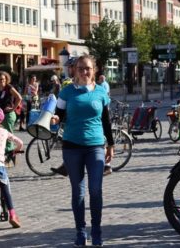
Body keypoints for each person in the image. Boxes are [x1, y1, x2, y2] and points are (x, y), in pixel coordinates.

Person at [51, 55, 114, 247]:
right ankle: (80, 232)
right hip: (71, 147)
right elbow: (59, 115)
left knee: (95, 190)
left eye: (87, 68)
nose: (84, 72)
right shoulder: (66, 92)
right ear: (74, 70)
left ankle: (96, 231)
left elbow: (105, 121)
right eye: (80, 68)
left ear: (94, 70)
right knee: (78, 192)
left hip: (95, 146)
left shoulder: (101, 92)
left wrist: (110, 145)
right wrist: (53, 120)